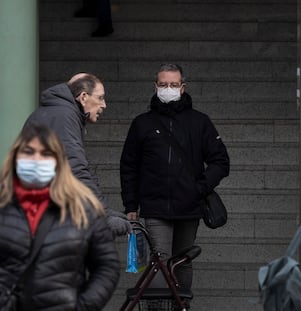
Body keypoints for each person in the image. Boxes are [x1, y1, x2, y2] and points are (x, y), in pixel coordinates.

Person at [120, 63, 230, 291]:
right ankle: (159, 307)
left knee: (182, 261)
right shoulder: (142, 123)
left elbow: (221, 161)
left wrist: (200, 188)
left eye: (173, 84)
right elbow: (129, 166)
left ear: (182, 87)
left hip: (189, 206)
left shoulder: (199, 122)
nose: (168, 88)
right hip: (155, 206)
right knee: (160, 261)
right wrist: (131, 205)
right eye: (163, 84)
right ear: (155, 86)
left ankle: (181, 306)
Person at [0, 123, 120, 310]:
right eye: (29, 152)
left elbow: (107, 266)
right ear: (16, 157)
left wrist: (82, 306)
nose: (36, 160)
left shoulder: (83, 209)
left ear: (58, 161)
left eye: (46, 154)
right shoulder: (3, 204)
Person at [25, 72, 131, 238]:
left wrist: (104, 210)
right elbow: (76, 170)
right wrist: (101, 216)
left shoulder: (58, 112)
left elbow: (82, 168)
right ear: (83, 97)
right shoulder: (64, 116)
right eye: (100, 98)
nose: (104, 105)